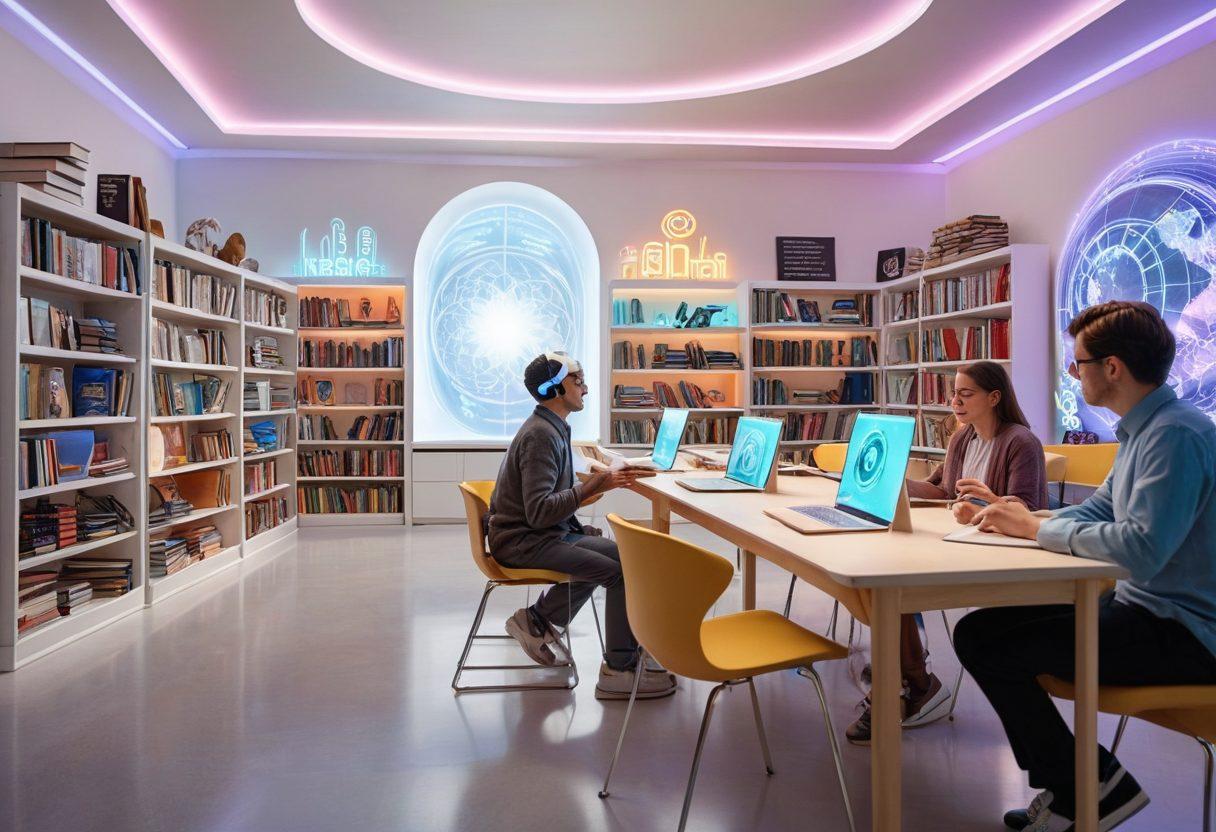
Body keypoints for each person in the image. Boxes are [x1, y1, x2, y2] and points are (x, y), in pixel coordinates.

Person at [954, 301, 1216, 831]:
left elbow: (1140, 548)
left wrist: (1034, 529)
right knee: (977, 632)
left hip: (1182, 632)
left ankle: (1086, 788)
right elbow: (1101, 509)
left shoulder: (1176, 435)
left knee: (995, 648)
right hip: (1140, 610)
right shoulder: (1147, 428)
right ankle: (1086, 783)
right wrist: (1018, 514)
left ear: (1112, 368)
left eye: (1078, 364)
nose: (1073, 376)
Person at [847, 360, 1049, 744]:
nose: (954, 400)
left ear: (994, 397)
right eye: (953, 393)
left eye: (965, 393)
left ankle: (911, 686)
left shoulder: (1020, 441)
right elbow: (941, 490)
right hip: (962, 543)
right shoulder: (962, 437)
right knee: (889, 571)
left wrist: (985, 507)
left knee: (895, 580)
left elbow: (1026, 512)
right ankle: (912, 683)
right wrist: (894, 482)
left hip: (1004, 556)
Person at [488, 351, 677, 701]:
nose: (585, 389)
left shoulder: (552, 428)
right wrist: (596, 484)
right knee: (622, 573)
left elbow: (548, 503)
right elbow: (539, 511)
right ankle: (618, 672)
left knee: (626, 557)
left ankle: (538, 621)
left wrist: (592, 492)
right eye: (578, 381)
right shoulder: (542, 435)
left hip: (537, 535)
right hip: (524, 542)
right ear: (555, 388)